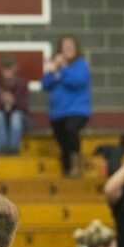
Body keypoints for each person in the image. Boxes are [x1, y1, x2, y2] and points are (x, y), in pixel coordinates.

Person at [42, 35, 92, 178]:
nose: (68, 48)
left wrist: (62, 68)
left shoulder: (81, 64)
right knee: (62, 142)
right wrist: (52, 70)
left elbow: (78, 81)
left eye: (71, 46)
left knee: (71, 131)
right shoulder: (55, 66)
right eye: (65, 46)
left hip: (77, 111)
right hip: (57, 113)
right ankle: (67, 171)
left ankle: (76, 165)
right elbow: (45, 84)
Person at [0, 54, 30, 156]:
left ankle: (13, 149)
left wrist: (13, 101)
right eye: (4, 68)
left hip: (20, 120)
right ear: (0, 69)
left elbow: (24, 106)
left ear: (15, 68)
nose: (7, 72)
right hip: (0, 118)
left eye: (9, 68)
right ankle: (1, 149)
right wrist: (2, 101)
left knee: (16, 116)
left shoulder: (22, 83)